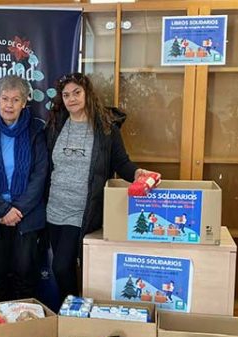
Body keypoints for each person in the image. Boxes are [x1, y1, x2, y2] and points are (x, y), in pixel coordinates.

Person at [45, 72, 159, 300]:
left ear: (88, 94)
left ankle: (71, 310)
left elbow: (121, 162)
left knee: (61, 266)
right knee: (63, 268)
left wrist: (137, 173)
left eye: (77, 92)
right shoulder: (56, 125)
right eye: (66, 95)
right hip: (54, 210)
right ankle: (70, 310)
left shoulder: (106, 129)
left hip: (83, 212)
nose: (72, 98)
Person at [0, 75, 48, 301]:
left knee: (25, 274)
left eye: (15, 100)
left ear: (24, 102)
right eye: (5, 98)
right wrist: (3, 210)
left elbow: (40, 174)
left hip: (27, 214)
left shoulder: (35, 129)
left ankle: (24, 325)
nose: (9, 105)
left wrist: (17, 209)